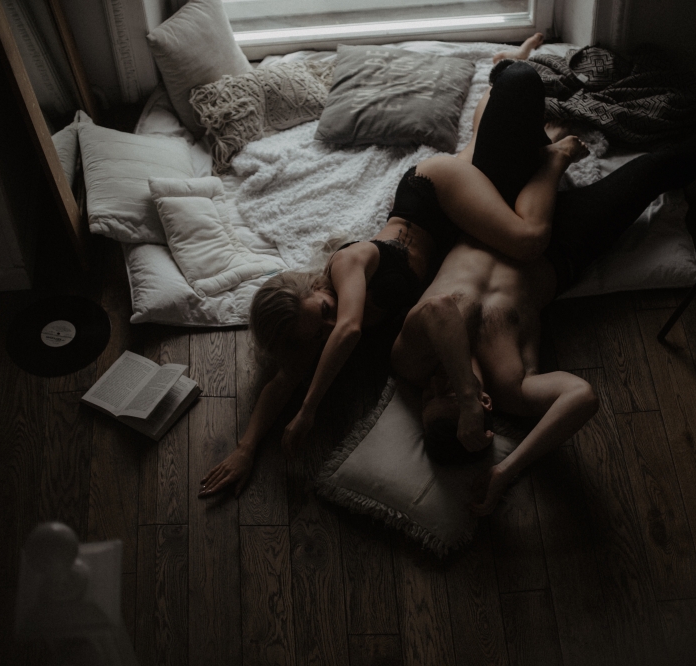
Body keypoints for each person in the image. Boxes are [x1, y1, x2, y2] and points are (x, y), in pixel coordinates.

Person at [198, 42, 589, 499]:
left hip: (431, 194)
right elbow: (281, 382)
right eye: (317, 332)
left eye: (323, 311)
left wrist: (308, 410)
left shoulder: (345, 266)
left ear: (315, 285)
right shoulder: (318, 334)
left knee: (527, 239)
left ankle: (528, 111)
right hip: (451, 233)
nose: (329, 324)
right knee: (476, 150)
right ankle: (502, 70)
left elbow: (348, 329)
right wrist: (246, 448)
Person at [391, 72, 696, 515]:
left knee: (518, 81)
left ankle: (538, 136)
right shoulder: (512, 388)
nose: (432, 386)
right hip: (562, 249)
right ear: (484, 402)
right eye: (441, 396)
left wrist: (461, 395)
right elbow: (581, 397)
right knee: (654, 172)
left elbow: (441, 308)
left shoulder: (413, 361)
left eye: (427, 398)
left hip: (491, 210)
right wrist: (506, 471)